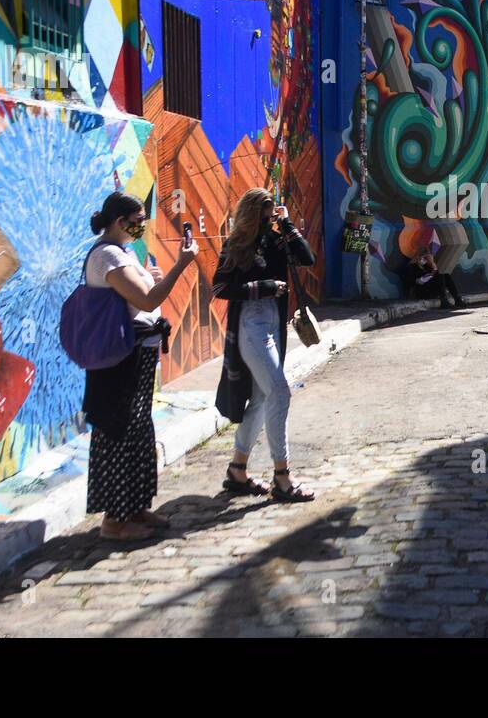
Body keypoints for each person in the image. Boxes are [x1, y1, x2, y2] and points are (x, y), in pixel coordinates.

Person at [82, 191, 198, 542]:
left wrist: (153, 275)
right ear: (120, 222)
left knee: (137, 429)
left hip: (138, 353)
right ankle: (114, 521)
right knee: (119, 429)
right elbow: (148, 299)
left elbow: (143, 291)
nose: (142, 227)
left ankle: (134, 506)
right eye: (137, 221)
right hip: (120, 360)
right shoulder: (107, 257)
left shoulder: (123, 253)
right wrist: (181, 264)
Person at [213, 189, 317, 503]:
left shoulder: (276, 239)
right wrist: (265, 287)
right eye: (265, 212)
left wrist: (287, 225)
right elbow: (220, 286)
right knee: (280, 391)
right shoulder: (236, 244)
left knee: (260, 398)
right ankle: (282, 477)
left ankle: (238, 470)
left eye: (272, 212)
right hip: (251, 323)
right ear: (251, 213)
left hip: (274, 321)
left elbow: (306, 258)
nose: (269, 217)